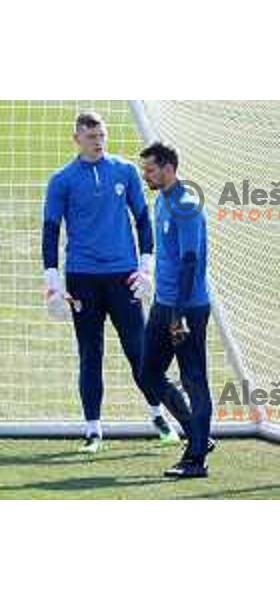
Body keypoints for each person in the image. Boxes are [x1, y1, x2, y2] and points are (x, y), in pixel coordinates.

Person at [42, 112, 177, 453]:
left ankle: (158, 415)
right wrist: (54, 282)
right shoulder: (62, 180)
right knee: (90, 354)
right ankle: (92, 429)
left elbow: (143, 220)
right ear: (77, 139)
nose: (98, 141)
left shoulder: (126, 171)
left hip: (123, 277)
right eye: (91, 137)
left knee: (140, 352)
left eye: (101, 135)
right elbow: (50, 231)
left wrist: (146, 267)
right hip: (83, 278)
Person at [140, 143, 214, 478]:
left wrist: (179, 314)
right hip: (163, 304)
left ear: (169, 168)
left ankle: (196, 459)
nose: (146, 175)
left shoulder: (186, 206)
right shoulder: (162, 200)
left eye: (151, 169)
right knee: (147, 373)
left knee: (194, 378)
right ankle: (198, 434)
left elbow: (190, 260)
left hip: (187, 308)